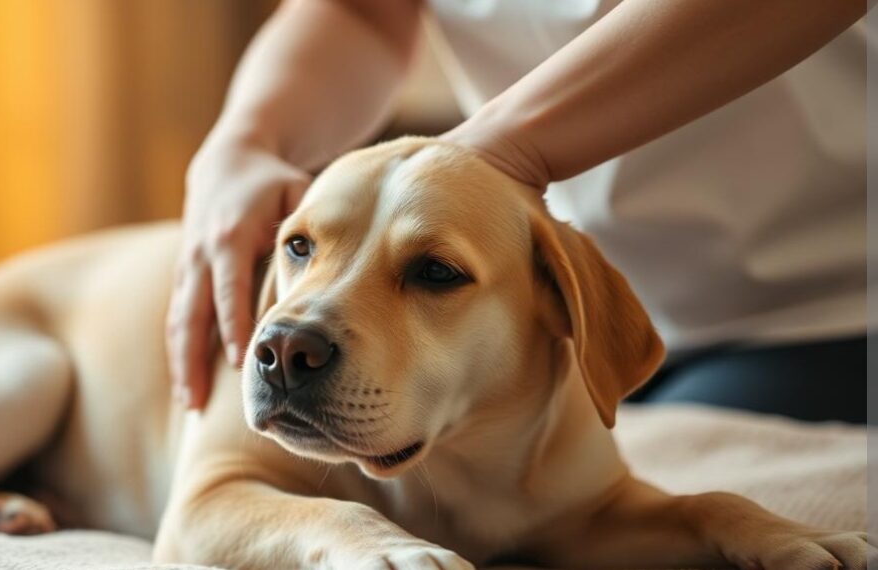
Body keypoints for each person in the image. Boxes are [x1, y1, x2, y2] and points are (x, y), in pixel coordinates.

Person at [167, 0, 867, 423]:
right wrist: (246, 137)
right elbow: (364, 10)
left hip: (814, 297)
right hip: (533, 312)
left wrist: (505, 148)